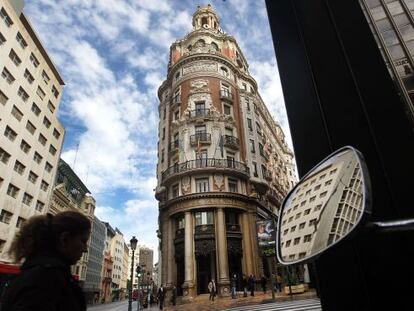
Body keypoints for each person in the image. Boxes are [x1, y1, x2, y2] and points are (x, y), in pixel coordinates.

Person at [1, 211, 91, 311]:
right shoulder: (48, 278)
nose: (85, 249)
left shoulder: (39, 271)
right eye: (83, 241)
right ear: (64, 239)